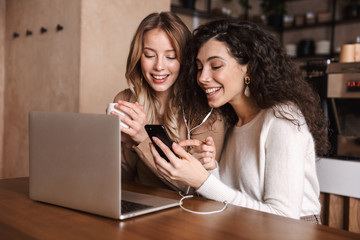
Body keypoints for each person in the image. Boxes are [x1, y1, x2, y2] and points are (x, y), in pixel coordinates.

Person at [150, 19, 329, 223]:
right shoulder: (234, 121)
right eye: (199, 68)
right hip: (245, 226)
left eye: (216, 66)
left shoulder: (282, 119)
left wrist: (203, 180)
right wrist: (210, 168)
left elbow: (283, 218)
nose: (202, 78)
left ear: (248, 68)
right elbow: (235, 198)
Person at [109, 12, 227, 192]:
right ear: (138, 57)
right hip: (137, 207)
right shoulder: (126, 101)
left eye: (171, 57)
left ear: (186, 60)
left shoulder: (206, 113)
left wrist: (142, 139)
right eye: (149, 55)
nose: (159, 66)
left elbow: (193, 189)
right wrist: (123, 144)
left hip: (183, 214)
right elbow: (121, 182)